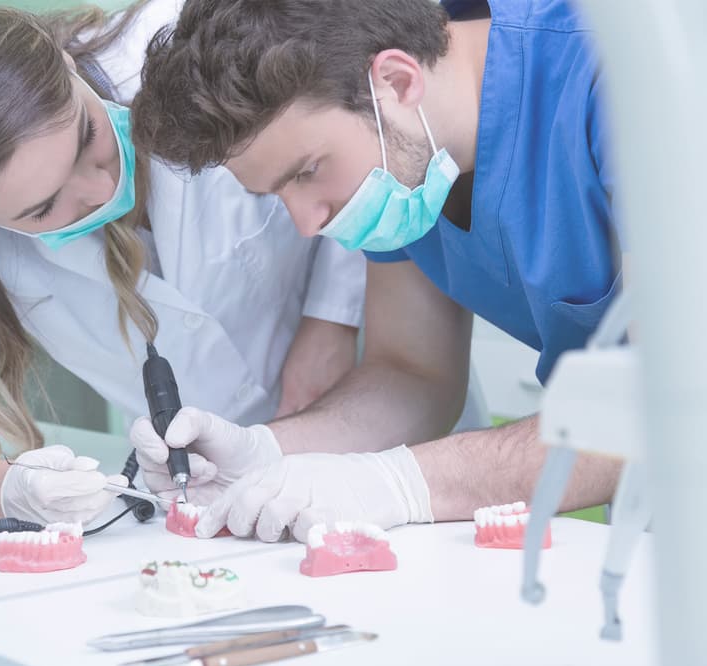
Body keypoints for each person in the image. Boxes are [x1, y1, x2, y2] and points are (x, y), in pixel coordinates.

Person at [0, 1, 370, 527]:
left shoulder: (186, 39)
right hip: (220, 498)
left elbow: (362, 100)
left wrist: (332, 314)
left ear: (64, 64)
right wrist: (0, 485)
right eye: (42, 208)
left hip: (379, 404)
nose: (101, 187)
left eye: (86, 135)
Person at [128, 0, 623, 542]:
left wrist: (398, 482)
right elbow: (413, 375)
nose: (308, 223)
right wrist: (263, 453)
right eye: (277, 194)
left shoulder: (621, 78)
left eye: (308, 172)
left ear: (395, 79)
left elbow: (671, 402)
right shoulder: (412, 163)